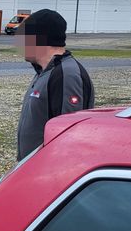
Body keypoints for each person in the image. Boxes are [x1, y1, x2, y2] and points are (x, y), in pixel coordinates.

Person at [16, 9, 94, 161]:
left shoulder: (66, 75)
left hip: (48, 172)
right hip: (33, 169)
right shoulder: (44, 72)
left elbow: (68, 136)